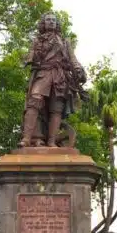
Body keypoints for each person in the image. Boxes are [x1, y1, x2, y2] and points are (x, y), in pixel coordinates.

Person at [20, 12, 87, 148]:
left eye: (53, 20)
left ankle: (51, 141)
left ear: (57, 24)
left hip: (59, 77)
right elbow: (30, 55)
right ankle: (26, 138)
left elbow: (72, 59)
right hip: (43, 74)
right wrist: (27, 59)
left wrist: (78, 69)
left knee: (56, 108)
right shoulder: (37, 40)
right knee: (34, 100)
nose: (51, 22)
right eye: (48, 20)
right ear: (43, 24)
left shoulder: (65, 41)